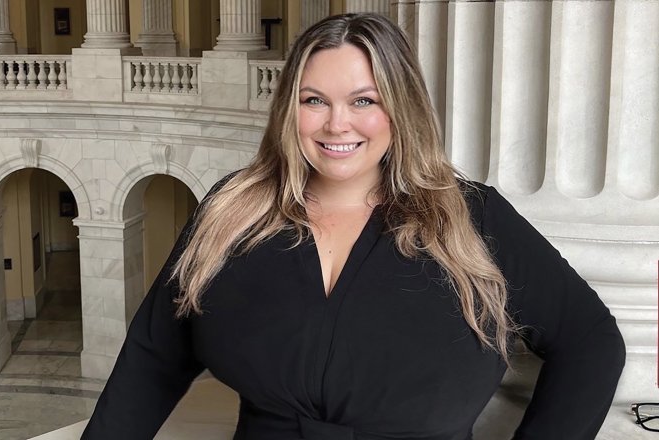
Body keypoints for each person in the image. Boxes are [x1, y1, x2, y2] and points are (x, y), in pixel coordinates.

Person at [82, 13, 625, 440]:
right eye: (313, 100)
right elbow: (155, 355)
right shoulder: (234, 209)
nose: (336, 123)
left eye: (364, 101)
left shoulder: (473, 217)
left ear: (401, 108)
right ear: (288, 110)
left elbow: (591, 340)